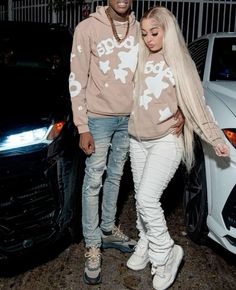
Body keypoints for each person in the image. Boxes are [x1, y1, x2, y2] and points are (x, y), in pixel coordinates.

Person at [69, 1, 184, 286]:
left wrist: (180, 106)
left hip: (131, 120)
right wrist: (82, 125)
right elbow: (76, 79)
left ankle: (108, 228)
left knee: (117, 177)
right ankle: (93, 243)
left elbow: (167, 68)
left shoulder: (141, 30)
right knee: (94, 178)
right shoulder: (86, 28)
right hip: (98, 118)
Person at [126, 6, 230, 290]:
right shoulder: (139, 57)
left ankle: (166, 253)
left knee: (148, 198)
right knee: (141, 198)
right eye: (144, 33)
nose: (148, 39)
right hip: (137, 140)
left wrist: (215, 138)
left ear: (167, 31)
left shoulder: (180, 63)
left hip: (166, 141)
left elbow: (198, 104)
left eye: (154, 33)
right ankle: (145, 243)